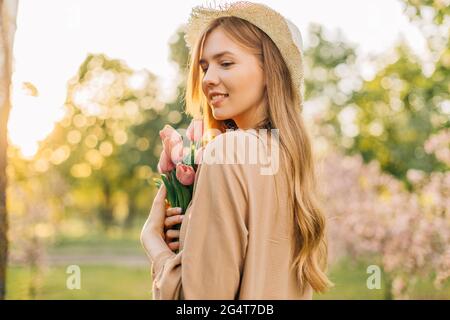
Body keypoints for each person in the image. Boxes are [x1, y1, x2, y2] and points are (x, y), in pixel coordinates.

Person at [140, 1, 332, 299]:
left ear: (270, 71)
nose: (207, 79)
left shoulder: (227, 152)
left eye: (225, 63)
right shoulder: (291, 159)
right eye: (204, 67)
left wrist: (156, 247)